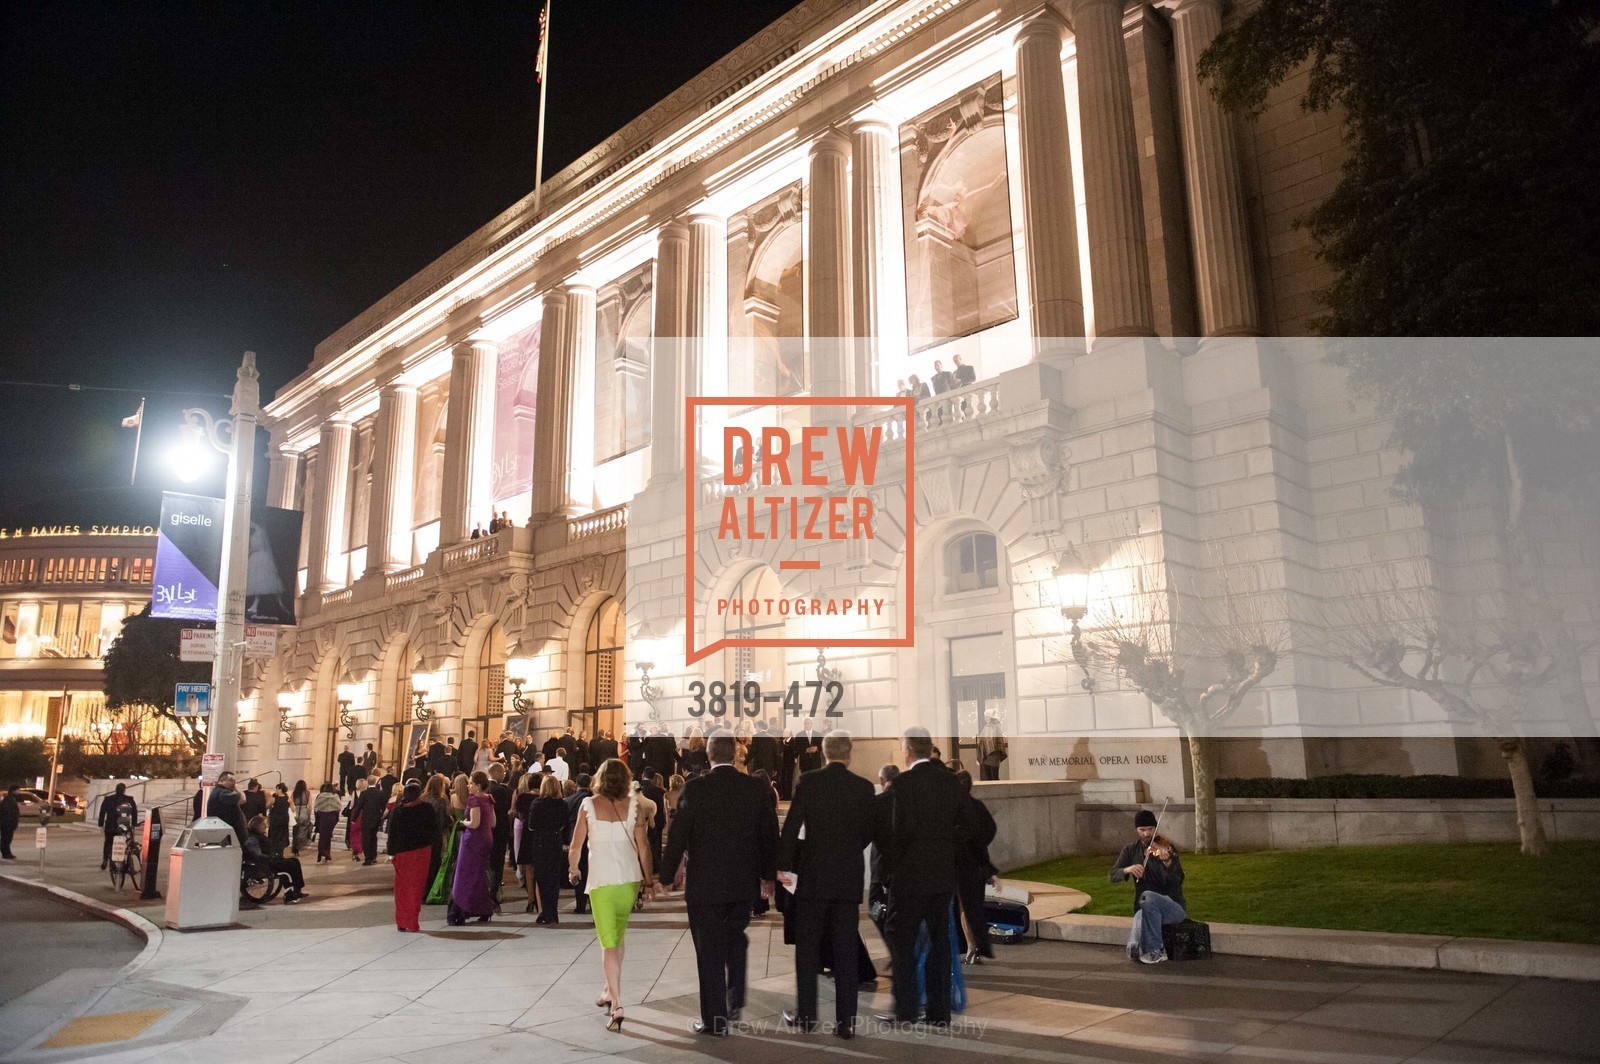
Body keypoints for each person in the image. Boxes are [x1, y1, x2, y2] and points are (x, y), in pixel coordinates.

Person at [659, 732, 778, 1037]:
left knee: (709, 950)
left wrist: (666, 875)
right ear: (737, 754)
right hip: (742, 882)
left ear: (709, 755)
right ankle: (735, 998)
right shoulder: (755, 788)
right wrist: (768, 875)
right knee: (735, 937)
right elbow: (769, 834)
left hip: (705, 884)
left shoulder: (695, 788)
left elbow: (678, 835)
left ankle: (715, 1020)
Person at [875, 727, 975, 1027]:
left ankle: (906, 1009)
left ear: (907, 751)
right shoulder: (950, 782)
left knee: (899, 936)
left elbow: (894, 833)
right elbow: (968, 825)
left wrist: (887, 871)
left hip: (909, 877)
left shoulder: (902, 785)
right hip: (942, 876)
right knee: (940, 940)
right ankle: (939, 1012)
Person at [778, 731, 876, 1038]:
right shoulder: (863, 787)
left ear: (823, 752)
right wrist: (848, 851)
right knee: (845, 950)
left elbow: (792, 826)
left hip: (814, 877)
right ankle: (845, 1023)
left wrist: (782, 866)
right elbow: (868, 831)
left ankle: (807, 1016)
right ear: (849, 754)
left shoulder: (808, 782)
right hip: (847, 878)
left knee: (807, 950)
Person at [569, 759, 655, 1032]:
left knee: (607, 942)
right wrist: (649, 880)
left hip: (602, 882)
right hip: (629, 881)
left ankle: (617, 1003)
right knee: (617, 935)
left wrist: (573, 869)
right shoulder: (635, 806)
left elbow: (576, 846)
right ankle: (608, 989)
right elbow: (644, 847)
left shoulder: (588, 805)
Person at [1111, 809, 1186, 964]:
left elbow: (1178, 880)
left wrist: (1168, 863)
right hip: (1146, 908)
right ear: (1136, 830)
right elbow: (1112, 875)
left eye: (1151, 829)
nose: (1146, 834)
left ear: (1156, 828)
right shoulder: (1130, 850)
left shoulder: (1167, 847)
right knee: (1141, 913)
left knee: (1148, 896)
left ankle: (1156, 951)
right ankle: (1134, 948)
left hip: (1173, 908)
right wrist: (1128, 869)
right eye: (1142, 830)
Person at [953, 770, 998, 963]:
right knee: (974, 905)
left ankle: (973, 946)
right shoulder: (978, 806)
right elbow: (990, 828)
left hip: (963, 864)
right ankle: (976, 945)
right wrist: (980, 844)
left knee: (965, 907)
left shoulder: (956, 808)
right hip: (978, 863)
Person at [387, 782, 440, 932]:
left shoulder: (398, 811)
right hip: (421, 852)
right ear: (419, 793)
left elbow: (392, 834)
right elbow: (434, 829)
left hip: (401, 853)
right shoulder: (426, 808)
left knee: (401, 889)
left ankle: (402, 921)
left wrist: (391, 853)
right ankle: (412, 921)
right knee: (416, 888)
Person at [448, 771, 497, 925]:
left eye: (470, 783)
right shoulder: (489, 799)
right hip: (487, 838)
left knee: (464, 875)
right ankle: (483, 908)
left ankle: (461, 910)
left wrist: (463, 822)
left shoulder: (474, 800)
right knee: (479, 875)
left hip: (473, 841)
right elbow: (493, 822)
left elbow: (474, 823)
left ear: (478, 786)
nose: (468, 786)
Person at [520, 775, 567, 922]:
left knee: (541, 877)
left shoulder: (537, 803)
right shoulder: (562, 804)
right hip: (555, 840)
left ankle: (545, 911)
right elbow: (564, 824)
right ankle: (553, 911)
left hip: (540, 841)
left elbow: (531, 825)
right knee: (554, 877)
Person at [244, 814, 309, 903]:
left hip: (269, 861)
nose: (265, 826)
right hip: (264, 864)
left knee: (295, 861)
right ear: (257, 826)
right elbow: (257, 855)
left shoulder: (260, 836)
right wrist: (271, 858)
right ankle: (291, 892)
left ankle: (297, 889)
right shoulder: (252, 839)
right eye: (263, 824)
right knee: (290, 864)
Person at [427, 774, 469, 904]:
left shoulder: (453, 797)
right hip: (467, 829)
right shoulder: (470, 798)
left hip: (455, 830)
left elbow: (450, 813)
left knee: (453, 857)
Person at [563, 772, 592, 912]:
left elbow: (565, 822)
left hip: (574, 837)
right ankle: (593, 903)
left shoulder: (568, 800)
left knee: (577, 870)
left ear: (576, 785)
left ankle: (580, 904)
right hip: (591, 838)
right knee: (591, 871)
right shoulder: (593, 800)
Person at [486, 762, 514, 906]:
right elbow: (505, 812)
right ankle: (493, 894)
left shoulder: (483, 788)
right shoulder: (502, 791)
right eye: (503, 773)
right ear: (496, 773)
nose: (504, 775)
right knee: (497, 864)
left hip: (485, 831)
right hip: (499, 831)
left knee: (486, 863)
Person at [98, 783, 138, 869]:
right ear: (124, 790)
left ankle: (105, 859)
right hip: (124, 826)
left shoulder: (108, 799)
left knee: (108, 843)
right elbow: (134, 813)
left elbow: (102, 812)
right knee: (125, 842)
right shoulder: (129, 800)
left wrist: (101, 824)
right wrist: (134, 824)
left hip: (110, 826)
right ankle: (126, 863)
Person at [423, 773, 451, 887]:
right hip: (436, 834)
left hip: (424, 834)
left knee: (426, 862)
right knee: (435, 861)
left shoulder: (423, 798)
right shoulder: (441, 800)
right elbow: (443, 818)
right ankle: (433, 886)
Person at [356, 774, 389, 866]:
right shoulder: (380, 793)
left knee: (366, 839)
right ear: (375, 782)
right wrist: (382, 817)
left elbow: (358, 807)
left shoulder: (364, 793)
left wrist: (354, 818)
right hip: (376, 819)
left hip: (366, 819)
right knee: (373, 838)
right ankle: (374, 857)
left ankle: (368, 858)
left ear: (367, 782)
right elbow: (383, 806)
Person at [207, 772, 248, 847]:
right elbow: (243, 799)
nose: (233, 783)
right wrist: (238, 789)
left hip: (226, 833)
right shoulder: (223, 792)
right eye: (231, 780)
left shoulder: (219, 791)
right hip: (228, 835)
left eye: (234, 781)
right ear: (221, 781)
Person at [313, 782, 342, 862]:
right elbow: (339, 807)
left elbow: (316, 807)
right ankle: (326, 853)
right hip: (331, 817)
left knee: (322, 835)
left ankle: (321, 852)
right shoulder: (335, 797)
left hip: (322, 817)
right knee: (328, 835)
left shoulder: (320, 796)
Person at [977, 709, 1007, 781]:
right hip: (986, 756)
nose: (985, 719)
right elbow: (983, 741)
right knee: (988, 777)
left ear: (990, 718)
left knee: (994, 776)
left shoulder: (996, 728)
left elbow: (998, 741)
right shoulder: (986, 727)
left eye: (987, 717)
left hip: (994, 755)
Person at [345, 777, 368, 861]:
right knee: (362, 833)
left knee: (354, 833)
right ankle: (361, 850)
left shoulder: (355, 792)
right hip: (363, 813)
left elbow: (352, 804)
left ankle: (355, 852)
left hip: (355, 813)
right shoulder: (366, 793)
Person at [266, 783, 291, 857]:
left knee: (274, 834)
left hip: (276, 818)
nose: (275, 790)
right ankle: (280, 851)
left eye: (276, 789)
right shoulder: (287, 798)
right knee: (282, 835)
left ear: (280, 789)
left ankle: (274, 851)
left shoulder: (274, 798)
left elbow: (267, 806)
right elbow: (292, 808)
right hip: (284, 818)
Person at [291, 780, 311, 855]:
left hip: (296, 812)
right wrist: (309, 814)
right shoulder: (308, 793)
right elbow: (310, 805)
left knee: (295, 831)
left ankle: (294, 847)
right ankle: (300, 845)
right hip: (304, 811)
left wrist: (293, 811)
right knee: (303, 830)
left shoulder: (294, 793)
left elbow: (290, 802)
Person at [0, 783, 20, 859]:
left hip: (7, 823)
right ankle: (6, 854)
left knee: (7, 839)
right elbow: (9, 813)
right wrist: (11, 823)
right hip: (7, 824)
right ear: (13, 791)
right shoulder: (9, 799)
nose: (19, 792)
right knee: (6, 839)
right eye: (18, 790)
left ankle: (7, 853)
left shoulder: (10, 798)